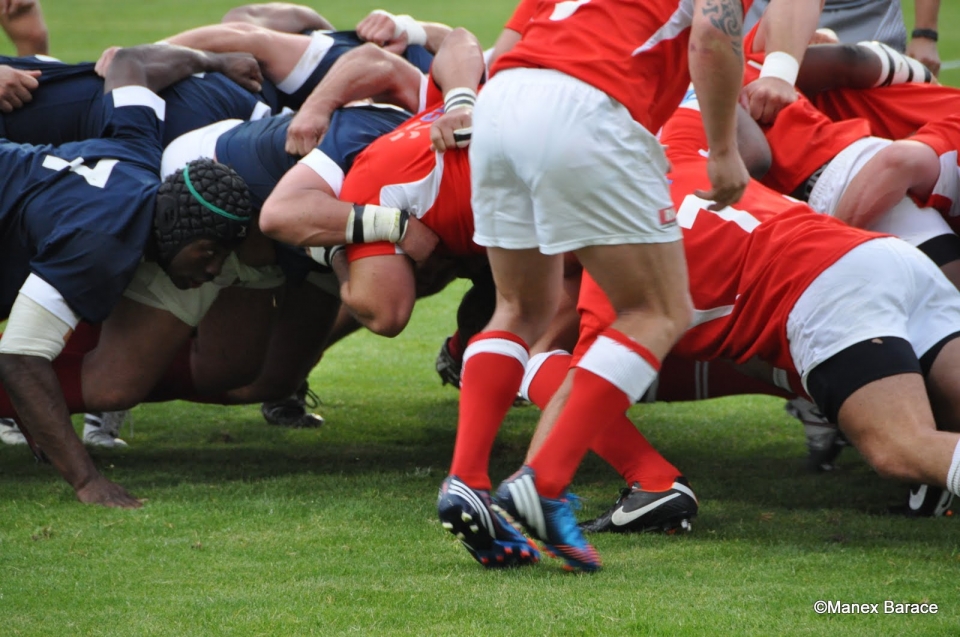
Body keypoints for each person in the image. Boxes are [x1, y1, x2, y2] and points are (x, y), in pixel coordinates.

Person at [429, 0, 754, 574]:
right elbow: (712, 31)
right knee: (655, 312)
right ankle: (545, 485)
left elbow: (506, 45)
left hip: (501, 102)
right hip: (588, 106)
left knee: (519, 307)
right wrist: (724, 149)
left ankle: (468, 480)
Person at [0, 44, 261, 508]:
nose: (214, 271)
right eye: (212, 255)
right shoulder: (100, 242)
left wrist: (213, 61)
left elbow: (129, 65)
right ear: (190, 239)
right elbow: (20, 357)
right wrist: (86, 481)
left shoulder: (140, 156)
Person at [746, 0, 942, 76]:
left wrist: (925, 34)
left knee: (868, 105)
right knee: (757, 95)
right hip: (773, 8)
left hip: (868, 13)